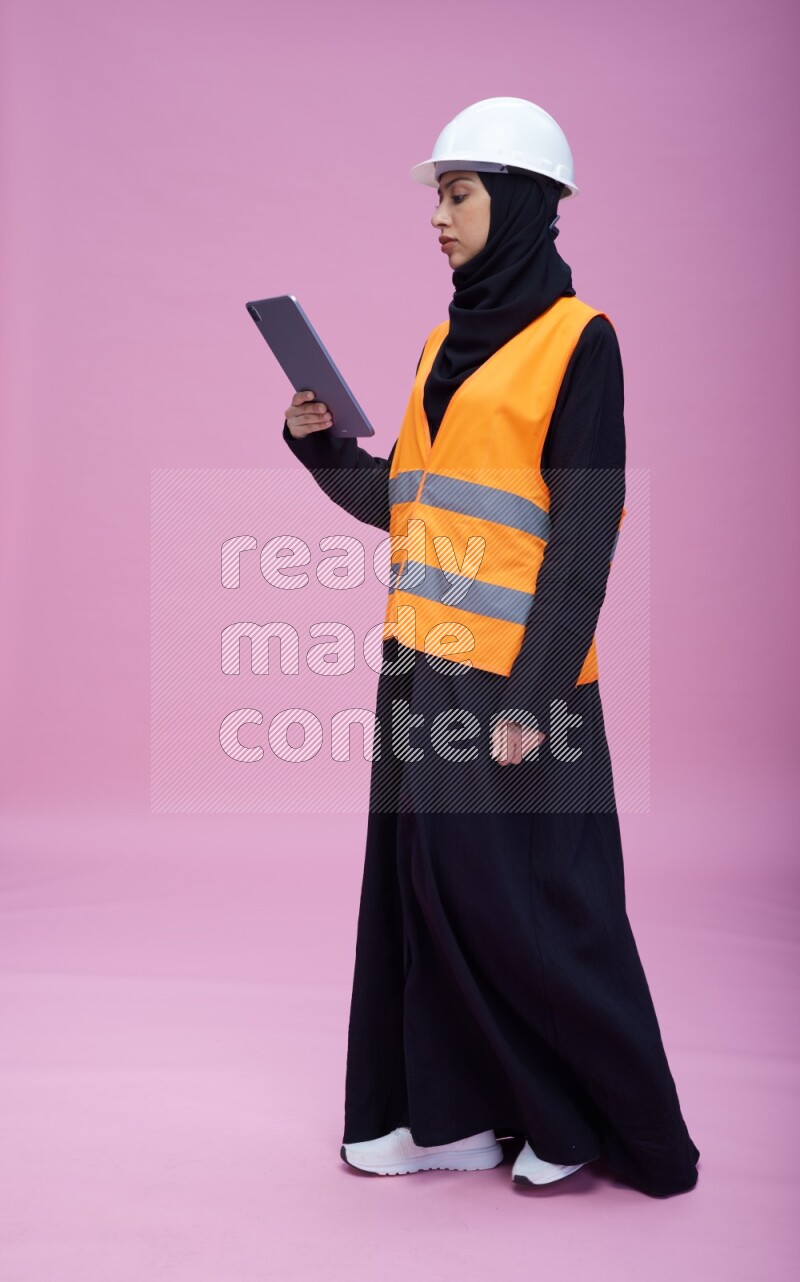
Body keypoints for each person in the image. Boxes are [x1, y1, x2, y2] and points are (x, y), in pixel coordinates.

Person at [282, 97, 700, 1197]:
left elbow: (577, 547)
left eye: (458, 194)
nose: (437, 215)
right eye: (436, 194)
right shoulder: (440, 343)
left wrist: (527, 698)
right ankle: (456, 1116)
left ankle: (583, 1123)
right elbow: (409, 506)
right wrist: (323, 451)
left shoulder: (580, 343)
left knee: (529, 915)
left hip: (518, 686)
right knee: (427, 895)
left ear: (518, 204)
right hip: (418, 673)